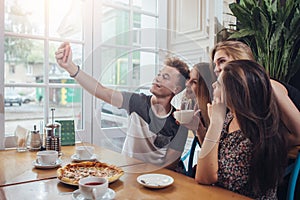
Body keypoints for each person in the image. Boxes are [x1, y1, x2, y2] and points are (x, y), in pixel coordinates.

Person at [55, 42, 190, 170]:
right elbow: (102, 91)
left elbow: (169, 165)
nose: (158, 78)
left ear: (176, 89)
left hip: (156, 181)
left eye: (165, 77)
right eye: (159, 74)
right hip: (128, 172)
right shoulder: (137, 101)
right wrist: (71, 67)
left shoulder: (179, 123)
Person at [195, 60, 288, 199]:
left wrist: (215, 123)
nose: (213, 85)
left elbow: (204, 177)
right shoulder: (230, 118)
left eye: (219, 84)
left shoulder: (253, 138)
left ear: (234, 93)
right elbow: (212, 160)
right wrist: (200, 130)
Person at [211, 40, 300, 146]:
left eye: (221, 61)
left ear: (240, 58)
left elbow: (298, 136)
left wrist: (252, 145)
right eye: (215, 64)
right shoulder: (237, 97)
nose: (216, 69)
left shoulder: (271, 86)